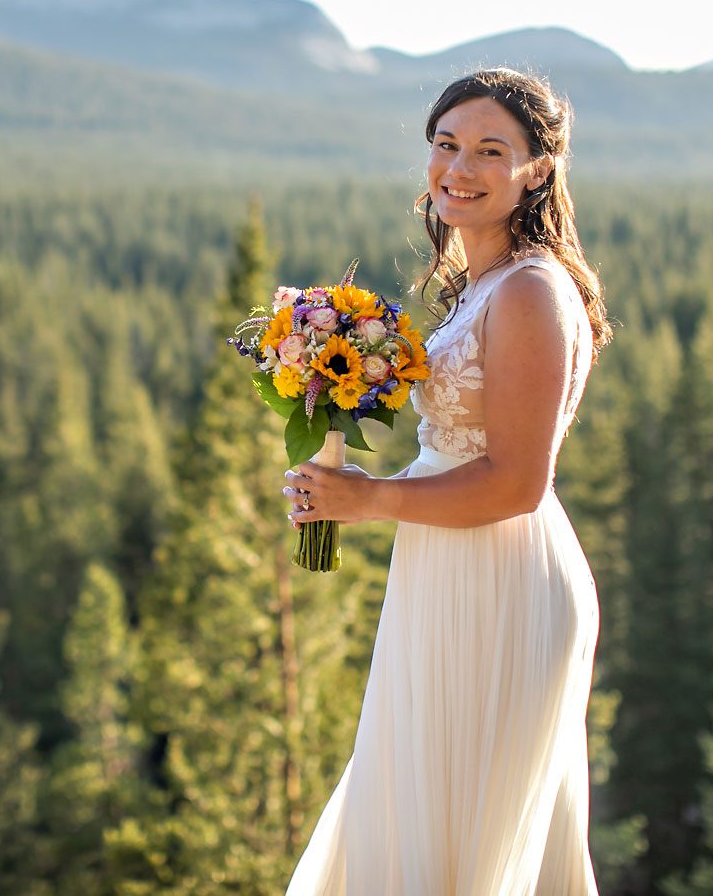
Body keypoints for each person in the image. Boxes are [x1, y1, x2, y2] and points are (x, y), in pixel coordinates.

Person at [282, 67, 613, 895]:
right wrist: (340, 471)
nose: (458, 168)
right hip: (442, 568)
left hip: (502, 577)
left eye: (489, 150)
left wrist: (371, 498)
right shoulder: (483, 285)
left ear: (537, 169)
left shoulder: (534, 290)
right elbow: (456, 447)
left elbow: (515, 484)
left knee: (463, 828)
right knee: (414, 807)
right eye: (446, 144)